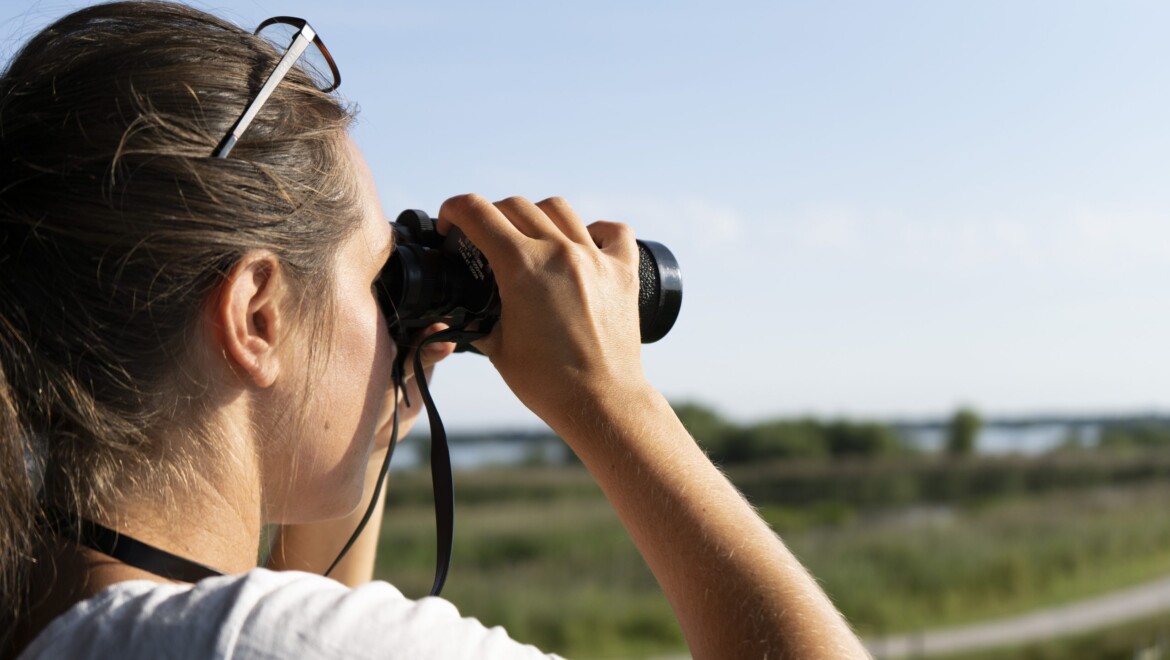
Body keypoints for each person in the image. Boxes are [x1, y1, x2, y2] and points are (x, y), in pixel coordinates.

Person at [0, 2, 869, 658]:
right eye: (379, 273)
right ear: (258, 314)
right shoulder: (267, 637)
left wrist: (369, 421)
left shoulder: (45, 612)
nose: (394, 318)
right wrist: (612, 396)